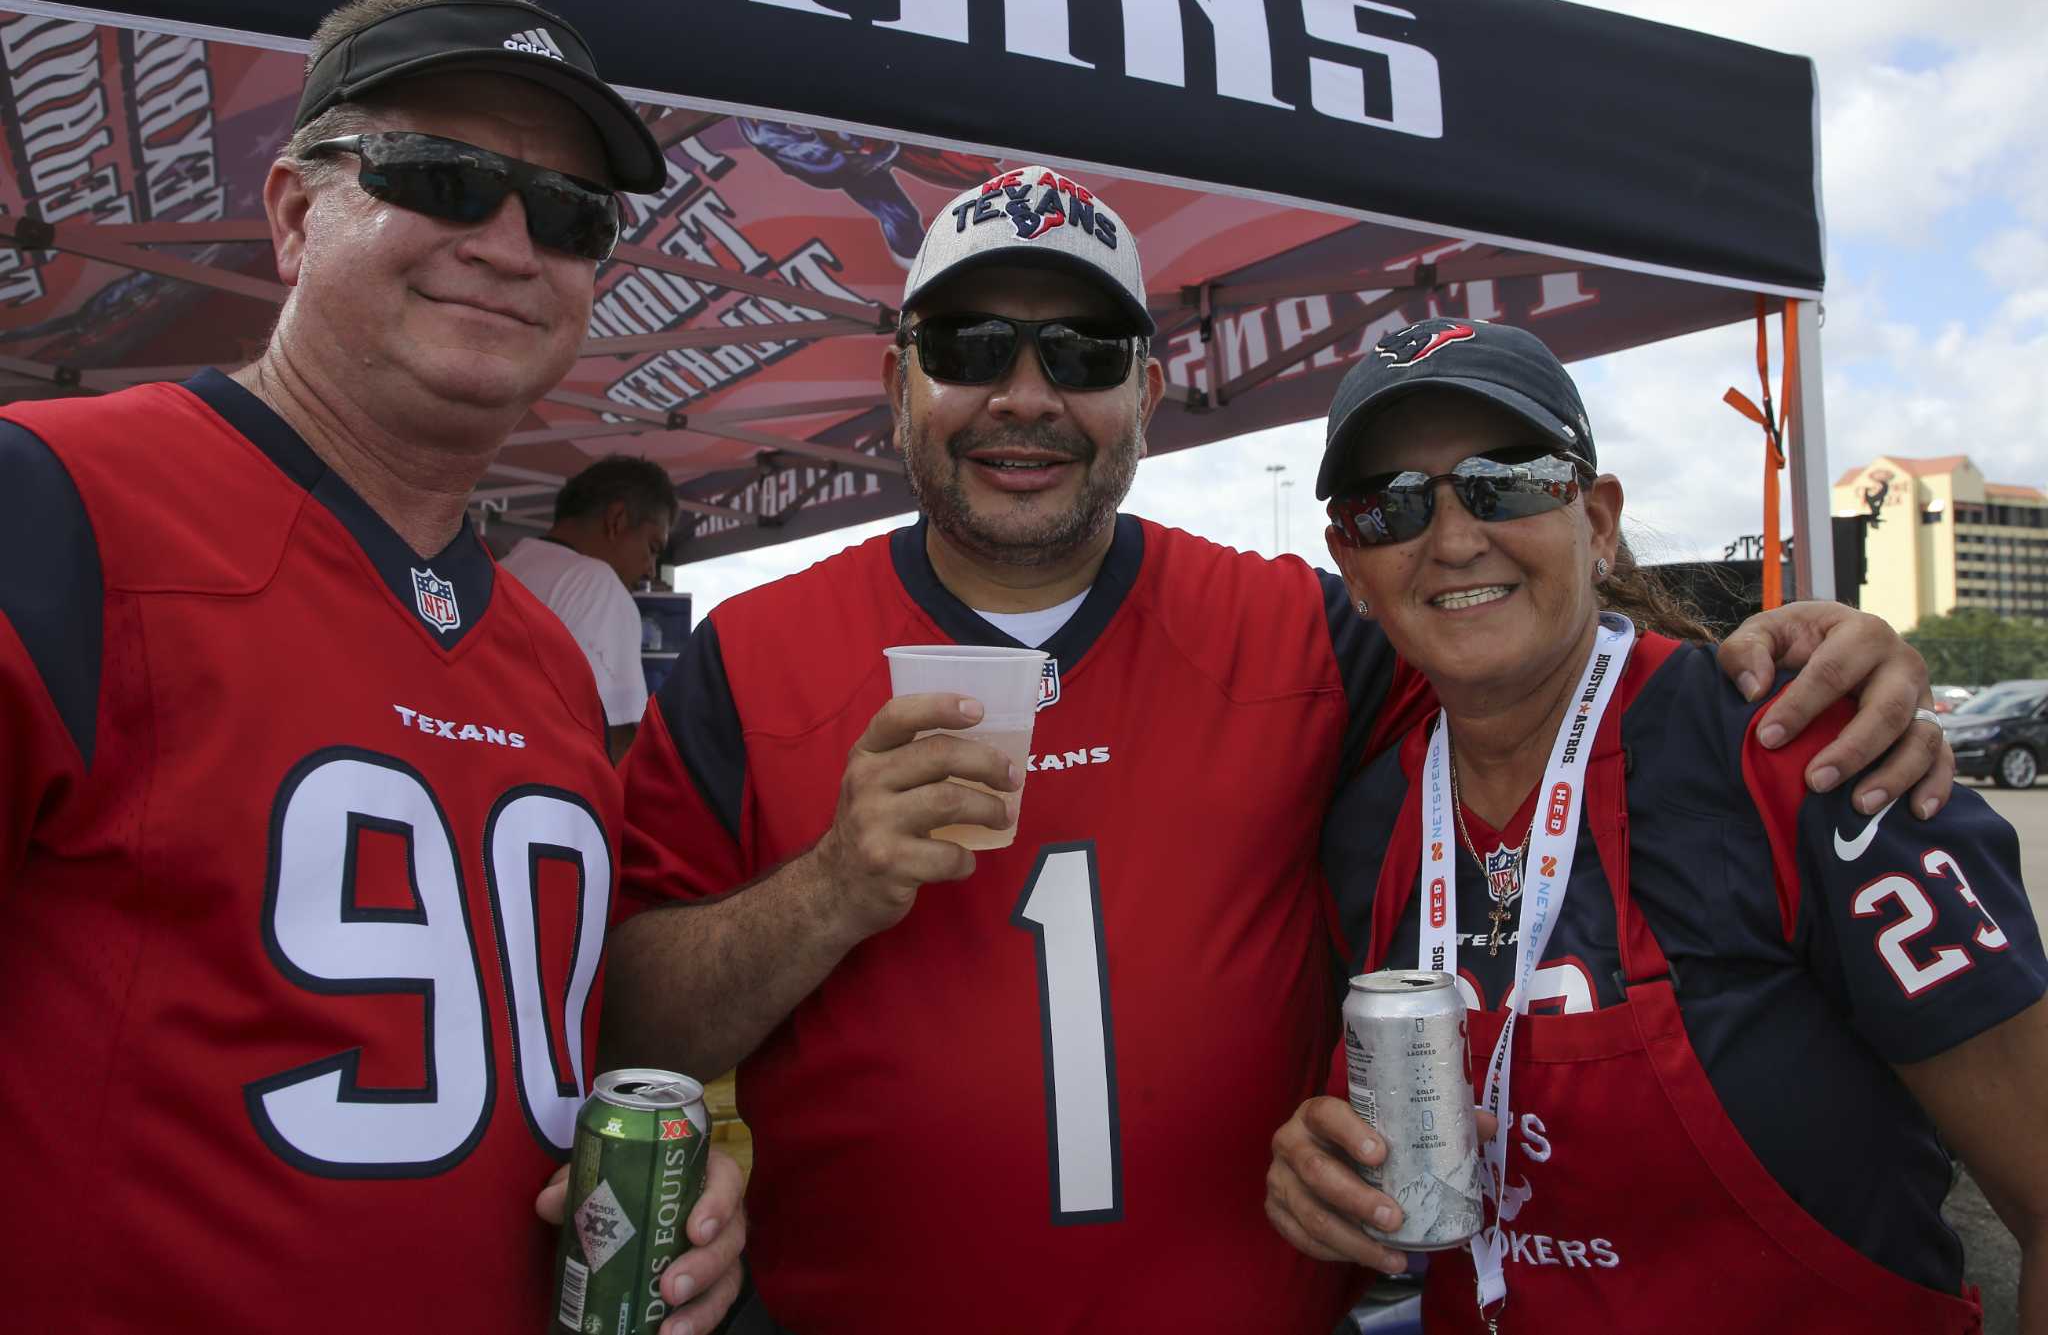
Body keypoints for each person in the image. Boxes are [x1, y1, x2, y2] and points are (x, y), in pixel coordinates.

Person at [600, 170, 1951, 1332]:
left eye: (1081, 354)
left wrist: (1785, 647)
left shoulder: (1304, 630)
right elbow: (632, 1025)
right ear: (901, 378)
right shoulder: (748, 657)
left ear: (1150, 388)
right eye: (969, 347)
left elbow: (1523, 666)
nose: (1026, 396)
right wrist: (831, 886)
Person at [0, 0, 744, 1333]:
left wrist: (686, 1211)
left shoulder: (549, 655)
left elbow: (520, 1065)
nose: (513, 247)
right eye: (443, 178)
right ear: (294, 213)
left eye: (571, 216)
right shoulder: (53, 508)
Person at [1265, 318, 2048, 1331]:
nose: (1452, 538)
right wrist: (1317, 1172)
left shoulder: (1798, 757)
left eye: (1506, 480)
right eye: (1391, 507)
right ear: (1351, 567)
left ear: (1594, 521)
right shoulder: (1362, 823)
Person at [502, 454, 679, 761]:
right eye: (652, 548)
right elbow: (616, 740)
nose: (650, 570)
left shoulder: (502, 570)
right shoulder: (598, 584)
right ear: (617, 521)